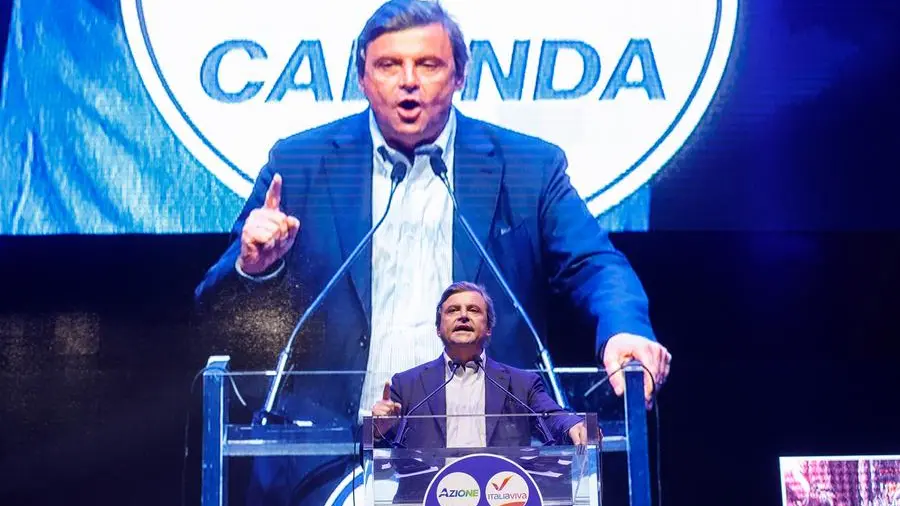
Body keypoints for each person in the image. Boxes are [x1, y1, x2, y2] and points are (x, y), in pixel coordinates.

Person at [193, 0, 671, 503]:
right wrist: (254, 269)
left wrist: (624, 330)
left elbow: (594, 263)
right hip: (331, 460)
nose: (408, 81)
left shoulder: (528, 167)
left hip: (492, 462)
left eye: (428, 64)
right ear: (361, 77)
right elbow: (214, 316)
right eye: (388, 65)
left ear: (460, 75)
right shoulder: (299, 163)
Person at [372, 281, 588, 449]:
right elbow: (380, 455)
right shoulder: (407, 385)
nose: (463, 316)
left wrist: (572, 424)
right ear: (438, 329)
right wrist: (376, 430)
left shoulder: (521, 385)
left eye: (474, 310)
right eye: (453, 310)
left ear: (489, 328)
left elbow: (553, 417)